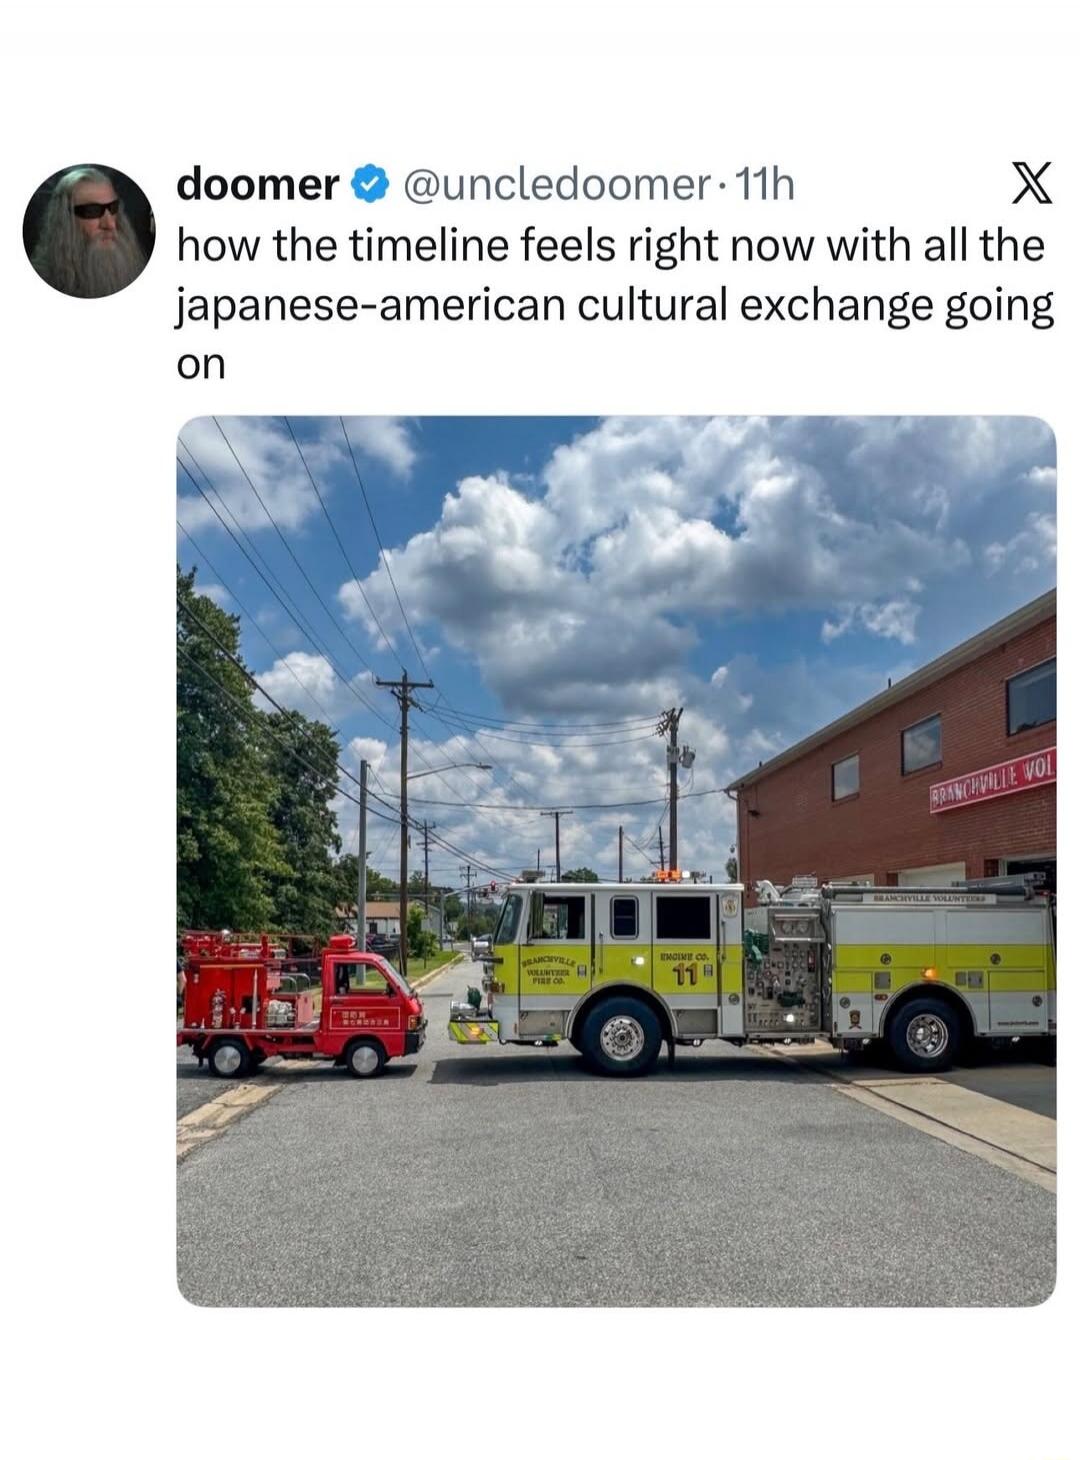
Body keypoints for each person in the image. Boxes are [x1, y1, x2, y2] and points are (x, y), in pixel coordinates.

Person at [30, 167, 147, 298]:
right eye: (92, 211)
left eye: (113, 208)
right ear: (65, 220)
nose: (110, 225)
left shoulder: (134, 270)